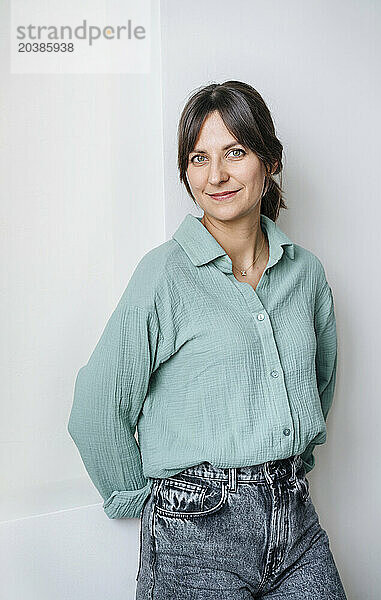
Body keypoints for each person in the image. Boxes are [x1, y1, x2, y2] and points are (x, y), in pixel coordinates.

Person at [67, 80, 347, 599]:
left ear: (269, 160)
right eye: (199, 158)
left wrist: (286, 458)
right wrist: (146, 500)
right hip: (194, 534)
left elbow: (319, 382)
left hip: (296, 523)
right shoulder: (164, 275)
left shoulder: (306, 274)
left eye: (235, 152)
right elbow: (96, 406)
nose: (216, 175)